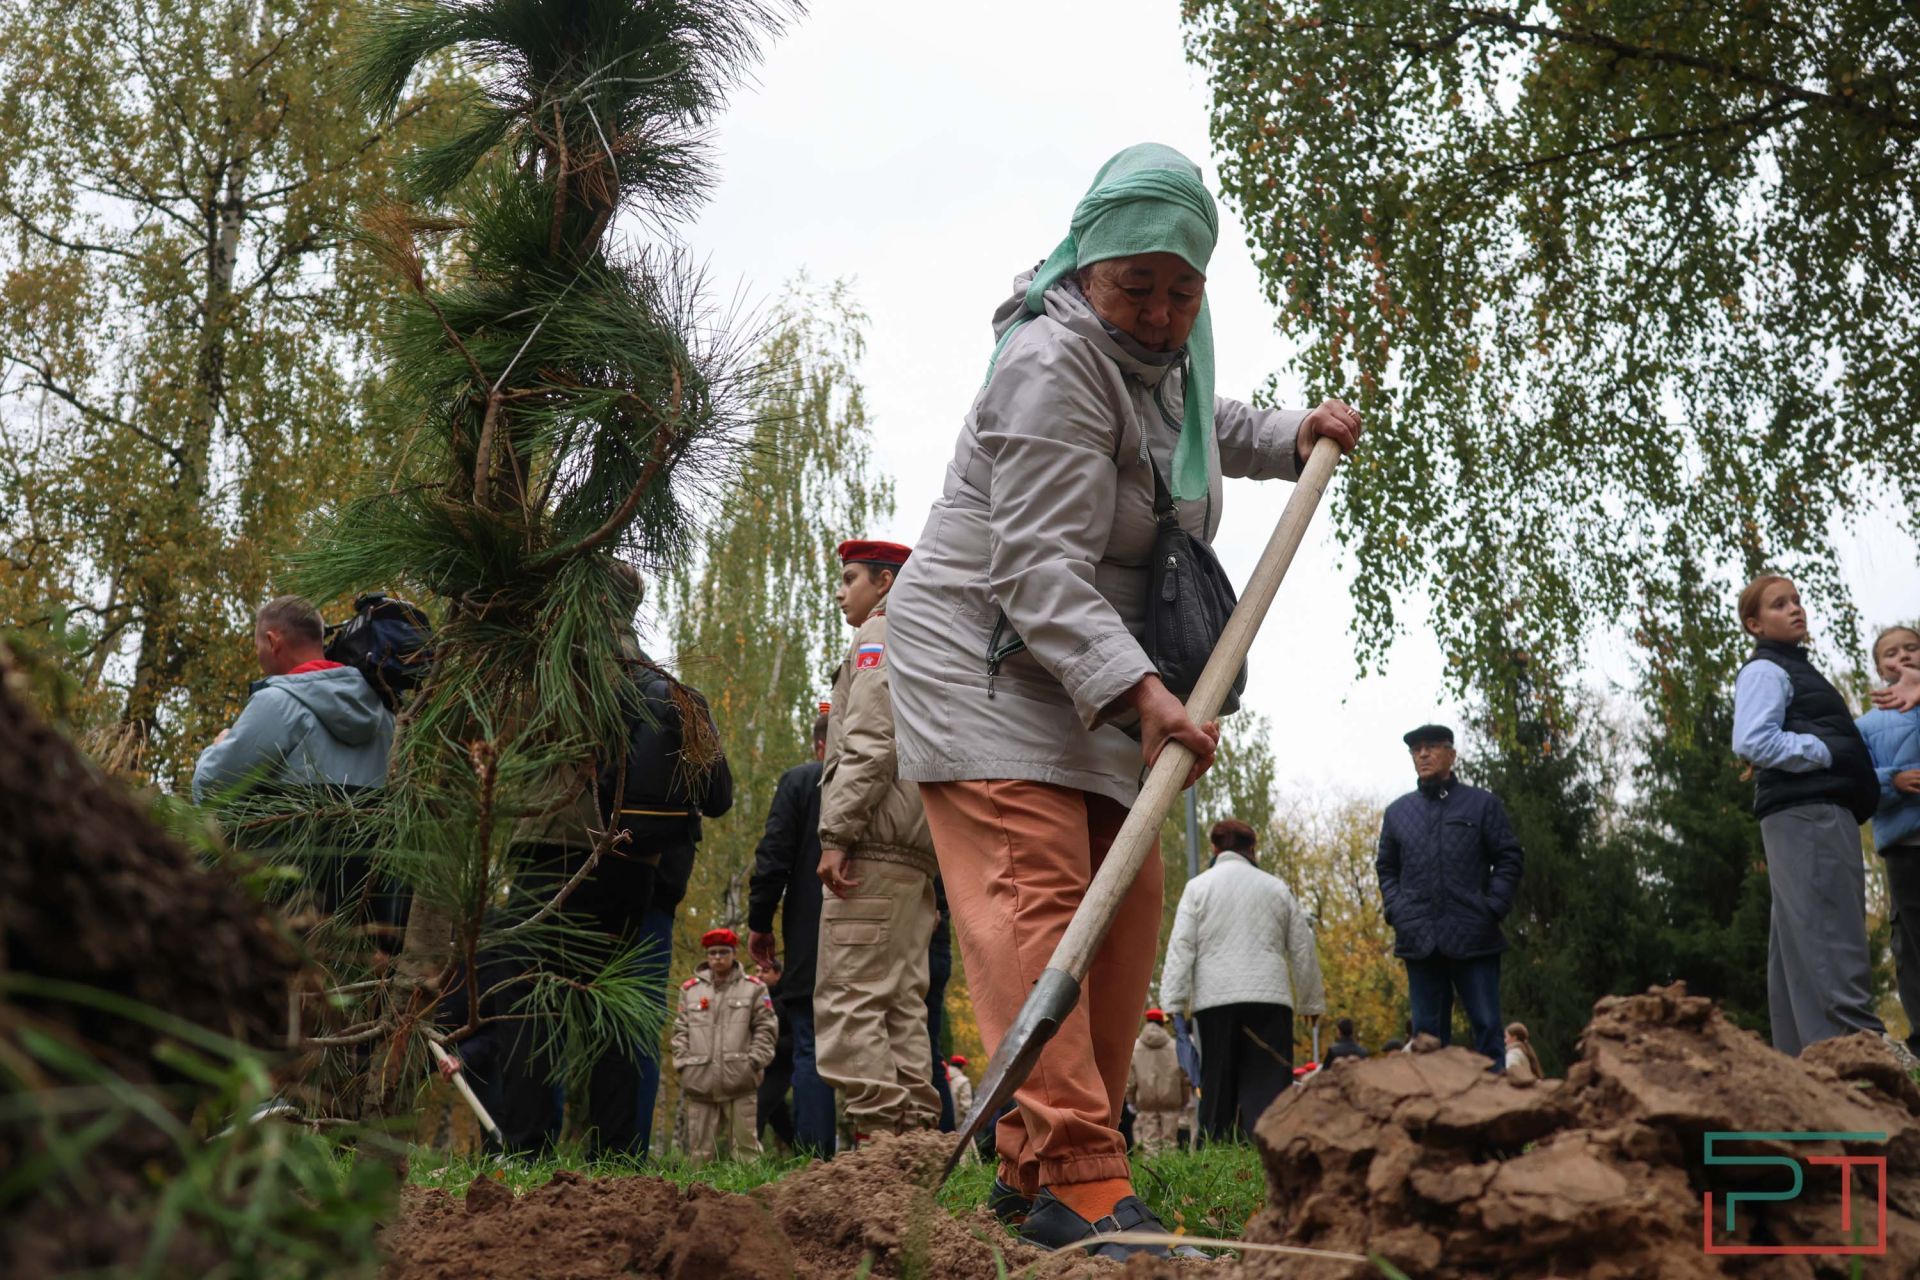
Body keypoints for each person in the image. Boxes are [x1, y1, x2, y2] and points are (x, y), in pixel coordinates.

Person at [886, 141, 1361, 1260]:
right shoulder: (1049, 364)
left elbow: (1200, 421)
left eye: (1181, 290)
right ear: (1088, 267)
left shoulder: (1172, 352)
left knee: (1128, 901)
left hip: (1090, 670)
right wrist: (1146, 691)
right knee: (1038, 899)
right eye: (1134, 287)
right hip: (990, 662)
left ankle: (1036, 1158)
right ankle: (1077, 1172)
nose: (1158, 313)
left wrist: (1293, 433)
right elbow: (1037, 567)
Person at [495, 566, 734, 1155]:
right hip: (640, 873)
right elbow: (720, 796)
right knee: (626, 1020)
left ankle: (525, 1152)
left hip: (543, 863)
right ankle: (618, 1159)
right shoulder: (666, 689)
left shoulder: (534, 680)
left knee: (533, 1010)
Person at [815, 539, 942, 1142]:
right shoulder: (931, 644)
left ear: (885, 583)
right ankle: (915, 1144)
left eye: (850, 578)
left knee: (850, 996)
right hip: (917, 850)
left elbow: (868, 742)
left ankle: (878, 1145)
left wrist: (837, 833)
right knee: (900, 1003)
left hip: (874, 844)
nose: (841, 591)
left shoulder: (878, 638)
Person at [1732, 575, 1889, 1059]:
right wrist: (1822, 751)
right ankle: (1861, 1059)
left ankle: (1807, 1071)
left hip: (1802, 814)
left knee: (1798, 952)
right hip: (1809, 814)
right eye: (1780, 605)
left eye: (1797, 600)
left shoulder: (1794, 669)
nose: (1796, 609)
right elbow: (1753, 740)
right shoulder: (1766, 670)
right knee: (1829, 937)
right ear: (1755, 624)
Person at [1161, 818, 1326, 1141]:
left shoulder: (1198, 888)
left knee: (1218, 1081)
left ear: (1214, 848)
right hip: (1270, 998)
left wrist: (1173, 1002)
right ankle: (1270, 1149)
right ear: (1253, 849)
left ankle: (1215, 1152)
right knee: (1267, 1084)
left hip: (1215, 1000)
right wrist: (1310, 1000)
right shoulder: (1276, 887)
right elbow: (1302, 946)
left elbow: (1182, 946)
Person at [1375, 724, 1524, 1070]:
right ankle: (1436, 1116)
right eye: (1416, 750)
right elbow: (1387, 867)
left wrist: (1493, 907)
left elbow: (1509, 857)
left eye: (1431, 747)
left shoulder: (1482, 805)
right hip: (1420, 940)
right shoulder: (1398, 814)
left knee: (1487, 1028)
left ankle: (1496, 1111)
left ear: (1451, 755)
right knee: (1427, 1038)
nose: (1423, 754)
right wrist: (1398, 910)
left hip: (1475, 934)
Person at [746, 708, 837, 1156]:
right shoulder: (894, 780)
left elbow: (774, 856)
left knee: (814, 1047)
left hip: (811, 937)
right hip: (883, 937)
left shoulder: (803, 782)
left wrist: (760, 922)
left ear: (819, 745)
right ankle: (891, 1162)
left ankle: (817, 1159)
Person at [1859, 625, 1920, 1058]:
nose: (1902, 657)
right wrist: (1893, 780)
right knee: (1913, 946)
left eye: (1912, 648)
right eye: (1891, 653)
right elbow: (1857, 786)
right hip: (1905, 849)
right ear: (1880, 669)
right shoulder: (1868, 724)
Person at [672, 929, 777, 1164]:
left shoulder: (753, 988)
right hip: (700, 1079)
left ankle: (751, 1195)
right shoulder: (690, 991)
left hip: (740, 1077)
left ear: (734, 953)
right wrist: (683, 1064)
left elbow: (766, 1027)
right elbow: (680, 1030)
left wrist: (755, 1061)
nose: (717, 958)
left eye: (723, 952)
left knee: (746, 1150)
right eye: (712, 953)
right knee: (699, 1154)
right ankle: (696, 1196)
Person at [1125, 1010, 1189, 1155]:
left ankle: (1151, 1174)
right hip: (1171, 1101)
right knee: (1170, 1143)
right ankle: (1171, 1175)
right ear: (1162, 1023)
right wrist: (1184, 1100)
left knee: (1150, 1144)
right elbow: (1184, 1077)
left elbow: (1131, 1080)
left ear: (1147, 1021)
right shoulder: (1175, 1046)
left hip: (1146, 1102)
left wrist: (1131, 1101)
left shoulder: (1135, 1047)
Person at [947, 1054, 975, 1120]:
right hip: (959, 1122)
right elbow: (966, 1106)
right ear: (963, 1066)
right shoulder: (963, 1081)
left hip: (944, 1121)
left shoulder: (943, 1078)